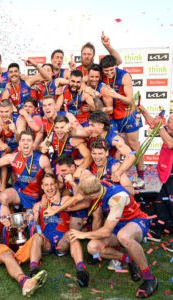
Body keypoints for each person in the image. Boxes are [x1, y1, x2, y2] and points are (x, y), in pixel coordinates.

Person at [68, 175, 158, 298]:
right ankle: (130, 260)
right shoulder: (97, 184)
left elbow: (106, 231)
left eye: (86, 197)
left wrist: (83, 234)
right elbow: (80, 195)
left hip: (136, 221)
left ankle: (150, 278)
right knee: (92, 248)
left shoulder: (117, 197)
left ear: (93, 196)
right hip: (117, 224)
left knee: (124, 236)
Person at [28, 174, 90, 287]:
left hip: (62, 241)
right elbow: (35, 229)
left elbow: (81, 198)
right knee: (37, 237)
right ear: (42, 187)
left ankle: (81, 270)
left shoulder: (64, 200)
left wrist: (72, 183)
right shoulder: (38, 205)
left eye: (52, 184)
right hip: (46, 243)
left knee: (72, 234)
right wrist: (35, 218)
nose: (49, 187)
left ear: (56, 185)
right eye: (46, 184)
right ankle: (33, 270)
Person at [100, 55, 144, 189]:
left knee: (133, 145)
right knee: (115, 146)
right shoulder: (102, 75)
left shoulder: (124, 76)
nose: (109, 73)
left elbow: (130, 100)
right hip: (112, 115)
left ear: (116, 66)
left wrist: (115, 95)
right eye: (106, 71)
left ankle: (141, 177)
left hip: (128, 114)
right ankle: (116, 175)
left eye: (111, 70)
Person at [0, 130, 52, 209]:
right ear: (19, 143)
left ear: (33, 143)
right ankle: (9, 218)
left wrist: (44, 196)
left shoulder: (42, 159)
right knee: (2, 197)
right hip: (19, 193)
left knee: (30, 219)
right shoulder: (12, 157)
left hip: (36, 196)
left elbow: (52, 181)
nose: (25, 143)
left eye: (29, 140)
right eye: (23, 140)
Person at [138, 106, 173, 244]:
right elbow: (154, 124)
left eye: (169, 122)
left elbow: (170, 144)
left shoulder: (168, 136)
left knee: (168, 205)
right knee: (161, 203)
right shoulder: (167, 130)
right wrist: (143, 111)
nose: (166, 124)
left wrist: (159, 127)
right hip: (168, 178)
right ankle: (157, 231)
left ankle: (158, 230)